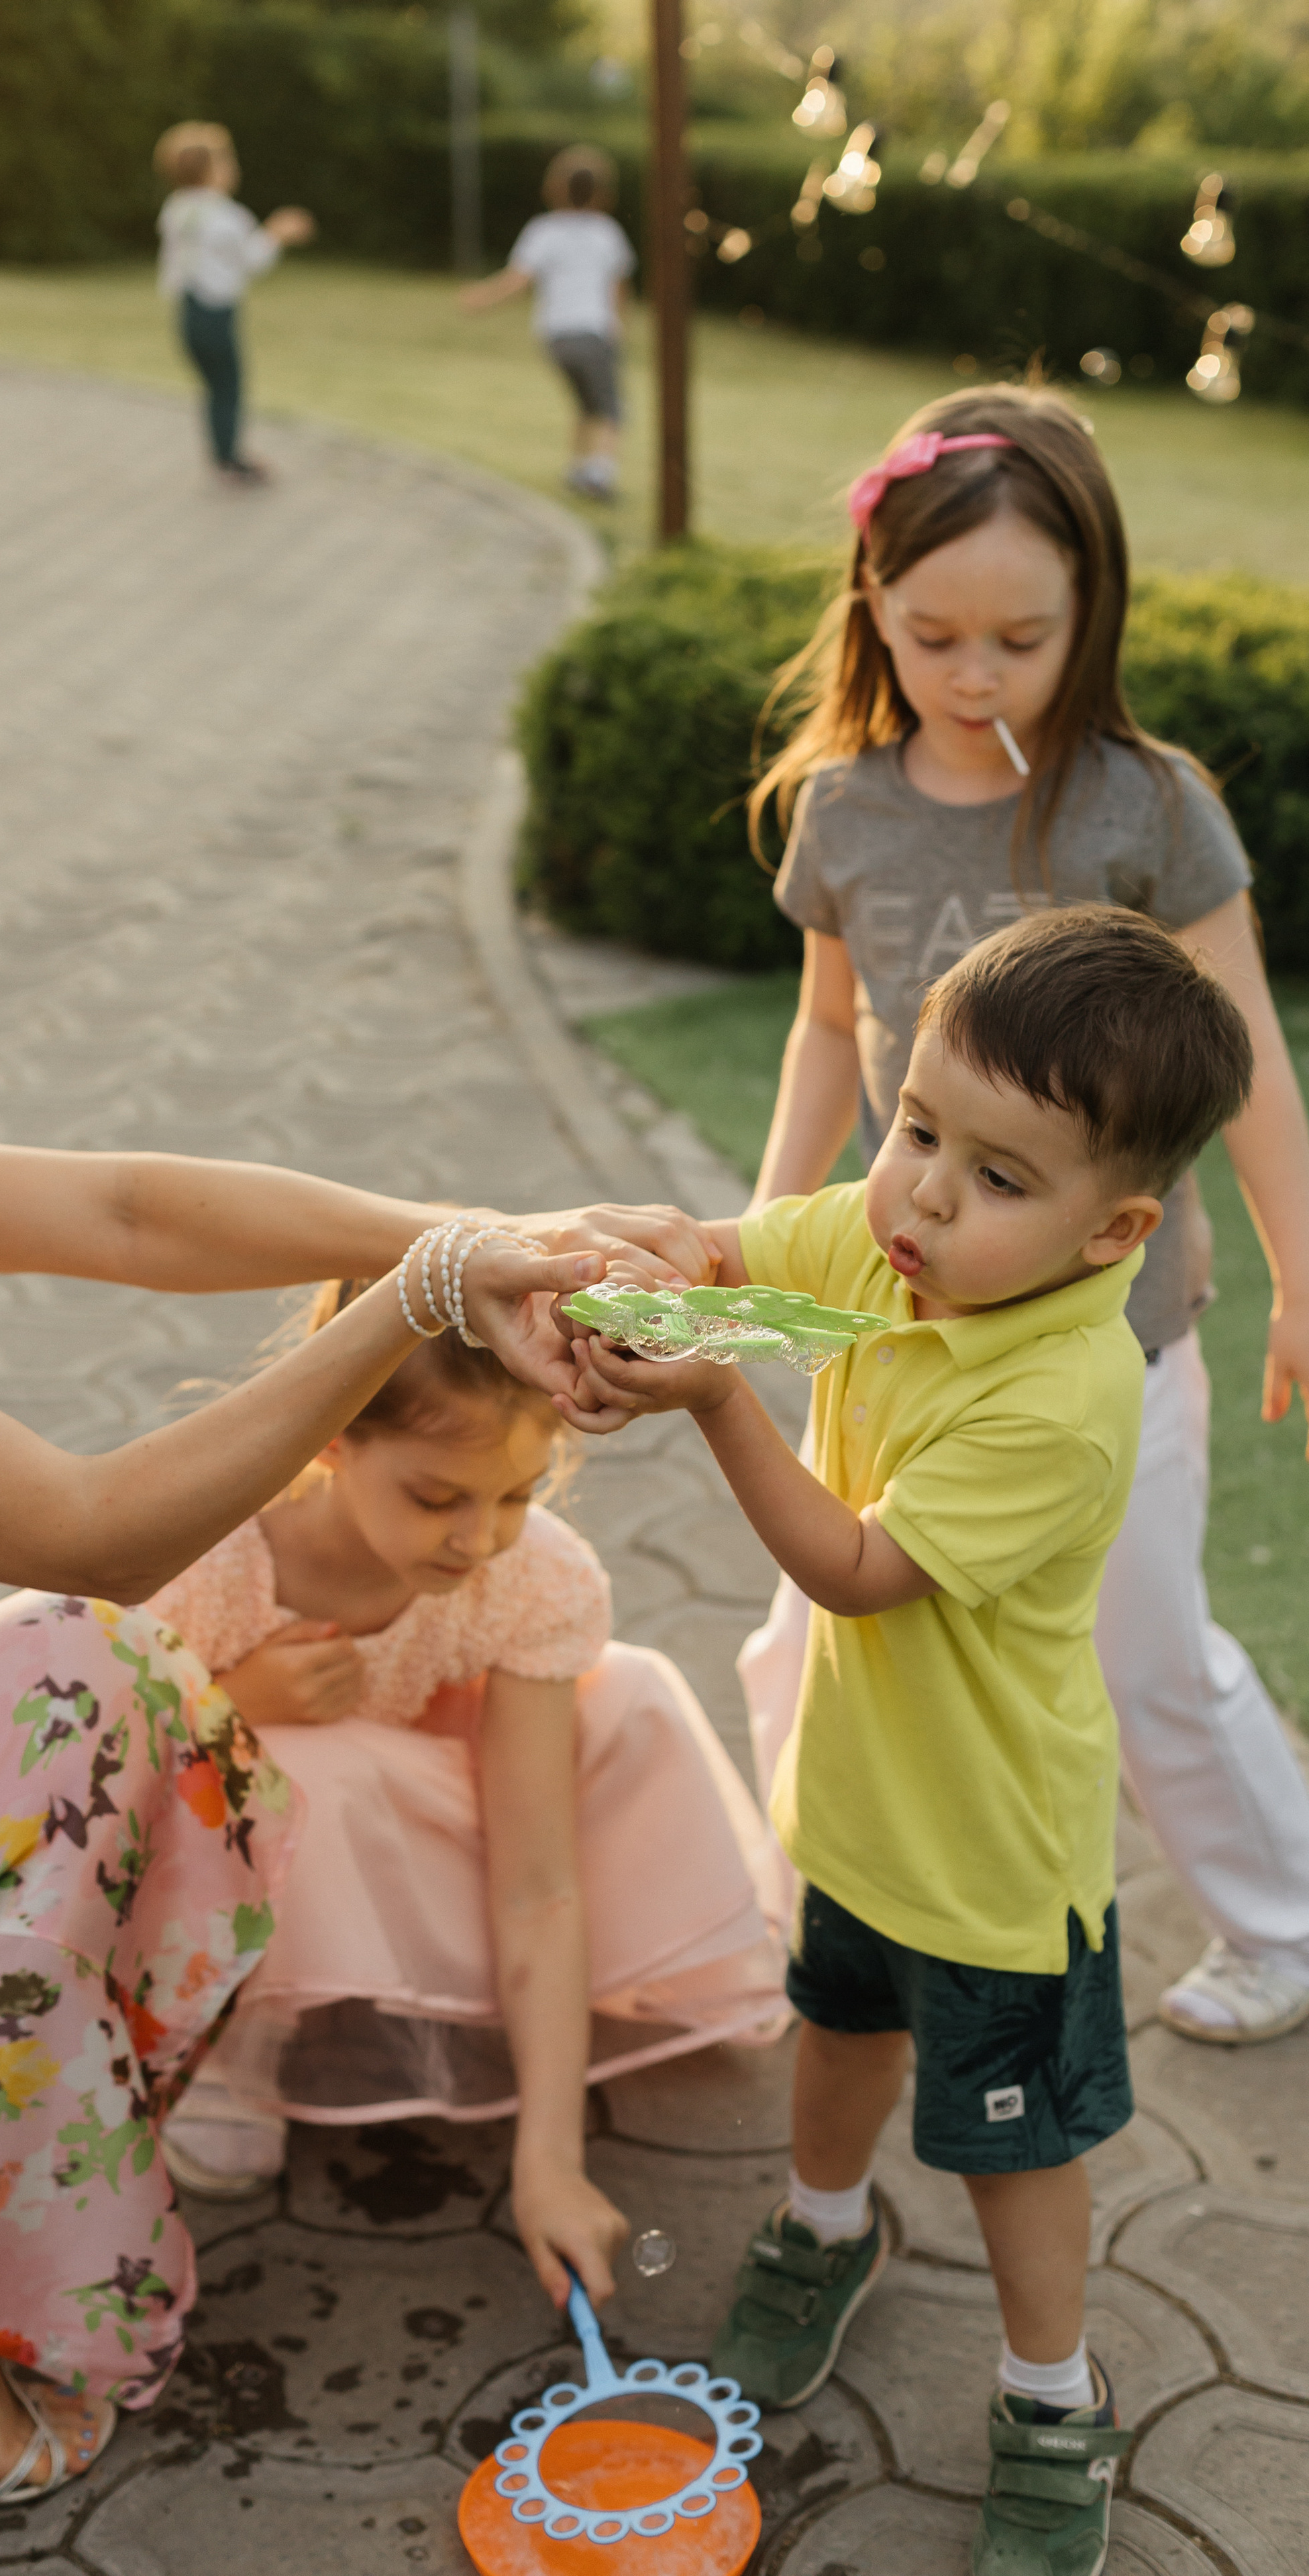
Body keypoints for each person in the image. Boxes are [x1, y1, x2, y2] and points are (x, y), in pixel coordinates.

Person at [0, 726, 713, 2507]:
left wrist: (502, 1230)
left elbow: (123, 1211)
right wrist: (413, 1297)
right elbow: (86, 1529)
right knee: (80, 1685)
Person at [560, 906, 1255, 2576]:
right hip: (858, 1807)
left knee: (1012, 2144)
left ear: (1117, 1231)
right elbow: (743, 1261)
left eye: (999, 1175)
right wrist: (645, 1276)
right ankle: (820, 2229)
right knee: (836, 2026)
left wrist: (712, 1389)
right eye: (917, 1128)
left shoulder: (1063, 1393)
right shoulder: (895, 1246)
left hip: (995, 1865)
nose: (925, 1193)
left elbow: (858, 1573)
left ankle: (1046, 2391)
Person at [737, 385, 1309, 2046]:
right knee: (800, 1639)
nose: (970, 673)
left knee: (1146, 1660)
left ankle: (1280, 1920)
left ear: (1090, 612)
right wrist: (768, 1214)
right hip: (888, 1322)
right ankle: (811, 1906)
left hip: (1100, 1353)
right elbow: (816, 1025)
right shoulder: (841, 806)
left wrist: (1295, 1263)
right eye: (929, 637)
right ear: (873, 611)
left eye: (1015, 637)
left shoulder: (1143, 805)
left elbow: (1245, 1053)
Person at [150, 1284, 790, 2305]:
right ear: (328, 1441)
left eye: (519, 1494)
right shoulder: (211, 1553)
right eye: (436, 1497)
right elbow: (94, 1772)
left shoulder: (531, 1575)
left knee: (618, 1696)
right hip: (230, 1839)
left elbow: (538, 1875)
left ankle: (486, 1993)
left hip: (436, 1803)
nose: (479, 1539)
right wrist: (229, 1700)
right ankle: (237, 2041)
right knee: (302, 1767)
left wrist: (551, 2158)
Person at [460, 146, 635, 504]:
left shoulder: (544, 231)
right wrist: (619, 327)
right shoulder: (607, 233)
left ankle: (577, 469)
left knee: (586, 404)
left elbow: (517, 281)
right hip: (594, 331)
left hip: (555, 336)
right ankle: (599, 474)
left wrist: (481, 299)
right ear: (605, 194)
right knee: (610, 408)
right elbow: (620, 289)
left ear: (553, 188)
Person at [154, 121, 314, 486]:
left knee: (213, 386)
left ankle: (222, 454)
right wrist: (278, 233)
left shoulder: (176, 209)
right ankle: (229, 459)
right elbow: (253, 260)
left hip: (187, 311)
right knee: (229, 385)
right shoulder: (227, 216)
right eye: (227, 161)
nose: (233, 168)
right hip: (216, 313)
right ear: (211, 170)